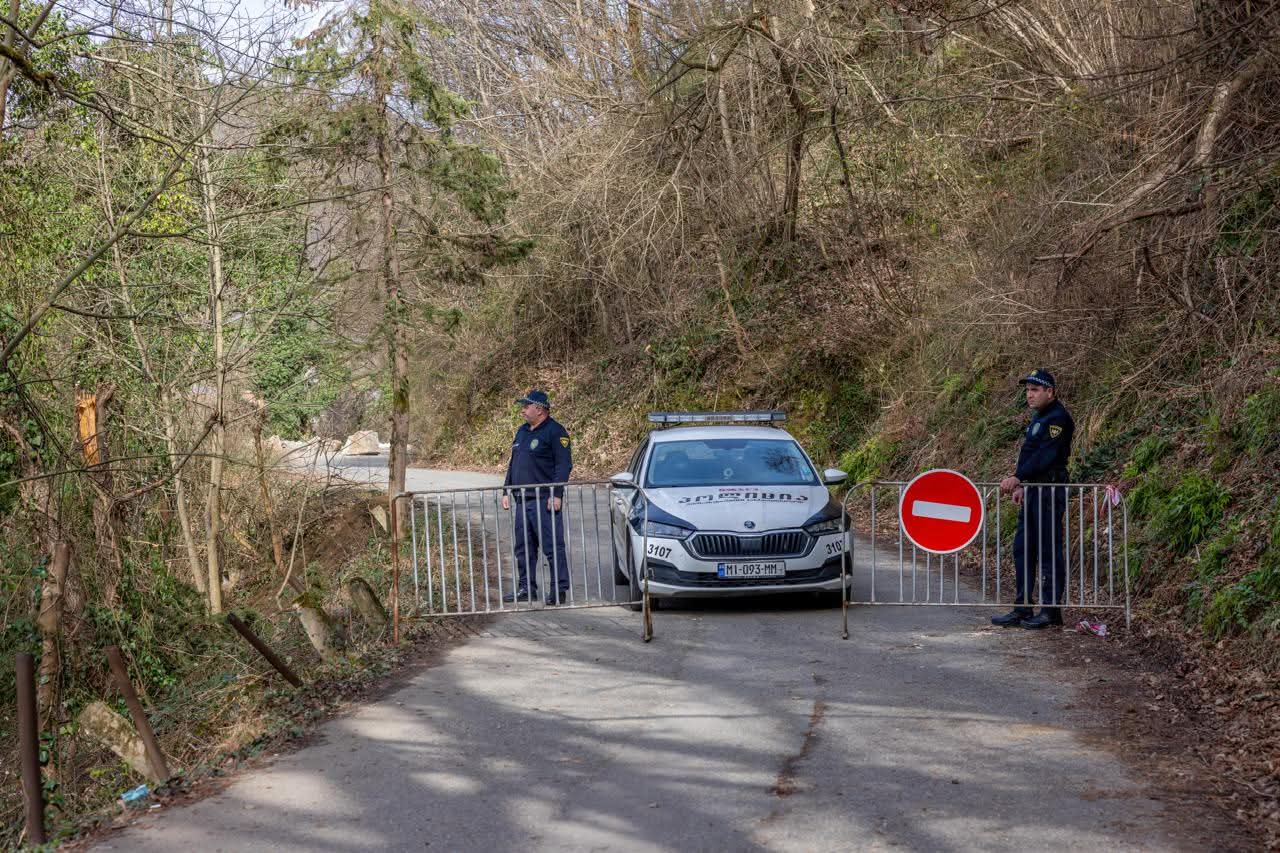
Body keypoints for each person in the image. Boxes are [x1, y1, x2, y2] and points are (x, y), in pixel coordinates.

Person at [993, 369, 1075, 629]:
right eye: (1028, 390)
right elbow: (1030, 453)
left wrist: (1018, 477)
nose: (1029, 394)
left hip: (1049, 492)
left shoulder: (1058, 418)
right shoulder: (1039, 417)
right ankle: (1023, 607)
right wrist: (1023, 483)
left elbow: (1046, 456)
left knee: (1049, 551)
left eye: (1035, 390)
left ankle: (1050, 611)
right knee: (1023, 549)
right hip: (1033, 490)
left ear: (1050, 392)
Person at [501, 390, 573, 605]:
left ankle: (558, 590)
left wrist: (556, 493)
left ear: (539, 409)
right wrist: (506, 490)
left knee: (552, 548)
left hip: (544, 501)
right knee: (524, 548)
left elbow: (563, 465)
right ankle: (526, 588)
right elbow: (513, 464)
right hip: (522, 500)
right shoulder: (522, 431)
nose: (522, 410)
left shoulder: (555, 432)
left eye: (526, 406)